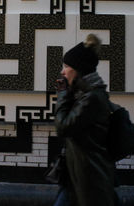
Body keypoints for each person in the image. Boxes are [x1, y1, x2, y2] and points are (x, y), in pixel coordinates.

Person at [53, 34, 118, 206]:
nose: (62, 71)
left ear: (78, 69)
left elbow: (63, 127)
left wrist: (62, 94)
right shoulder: (84, 94)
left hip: (90, 181)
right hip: (76, 179)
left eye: (66, 66)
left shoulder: (92, 98)